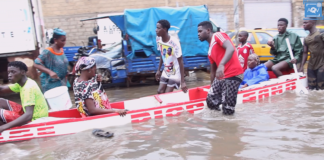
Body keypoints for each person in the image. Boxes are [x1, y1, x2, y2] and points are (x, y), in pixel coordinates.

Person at [197, 21, 243, 115]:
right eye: (198, 32)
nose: (198, 34)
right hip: (221, 77)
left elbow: (230, 48)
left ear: (208, 30)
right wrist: (212, 88)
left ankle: (229, 122)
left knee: (227, 109)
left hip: (233, 74)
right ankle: (218, 124)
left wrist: (221, 64)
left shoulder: (217, 35)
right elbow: (213, 72)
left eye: (200, 31)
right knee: (211, 100)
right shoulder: (210, 51)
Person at [0, 61, 48, 133]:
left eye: (13, 72)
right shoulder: (22, 82)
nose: (9, 75)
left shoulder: (28, 88)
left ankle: (3, 130)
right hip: (29, 115)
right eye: (9, 72)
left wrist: (3, 127)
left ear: (22, 72)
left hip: (35, 120)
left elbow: (29, 115)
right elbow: (2, 89)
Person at [155, 19, 188, 94]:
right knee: (160, 91)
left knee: (167, 94)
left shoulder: (175, 43)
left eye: (158, 28)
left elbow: (181, 62)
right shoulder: (158, 39)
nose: (156, 30)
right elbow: (162, 54)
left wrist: (182, 81)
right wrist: (158, 70)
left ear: (165, 29)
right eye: (156, 27)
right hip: (166, 70)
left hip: (175, 72)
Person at [34, 28, 69, 92]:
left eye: (65, 40)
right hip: (51, 85)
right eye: (62, 40)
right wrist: (50, 72)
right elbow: (36, 63)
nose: (64, 43)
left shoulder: (61, 50)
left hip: (62, 82)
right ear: (55, 40)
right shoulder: (48, 51)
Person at [299, 18, 324, 90]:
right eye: (303, 23)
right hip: (311, 66)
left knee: (321, 88)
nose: (303, 25)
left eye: (306, 23)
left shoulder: (321, 34)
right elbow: (305, 53)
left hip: (322, 65)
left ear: (313, 22)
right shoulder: (306, 38)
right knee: (311, 88)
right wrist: (301, 66)